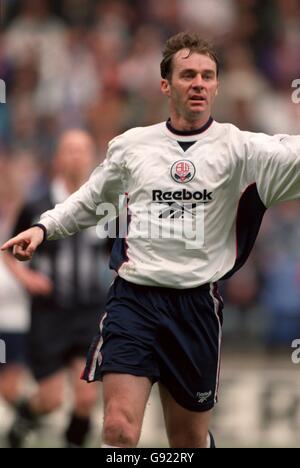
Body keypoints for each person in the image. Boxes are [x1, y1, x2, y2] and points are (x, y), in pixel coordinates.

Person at [2, 31, 300, 448]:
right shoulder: (132, 147)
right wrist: (44, 227)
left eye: (207, 76)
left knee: (187, 444)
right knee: (119, 431)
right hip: (133, 301)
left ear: (216, 85)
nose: (198, 83)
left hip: (195, 307)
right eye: (188, 75)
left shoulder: (243, 150)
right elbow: (91, 197)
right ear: (166, 84)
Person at [2, 130, 113, 448]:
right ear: (58, 158)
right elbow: (9, 251)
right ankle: (26, 415)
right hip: (49, 314)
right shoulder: (37, 206)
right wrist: (28, 280)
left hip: (89, 313)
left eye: (82, 151)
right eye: (69, 150)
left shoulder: (105, 207)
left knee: (85, 398)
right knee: (50, 399)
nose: (76, 157)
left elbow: (118, 253)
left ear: (93, 159)